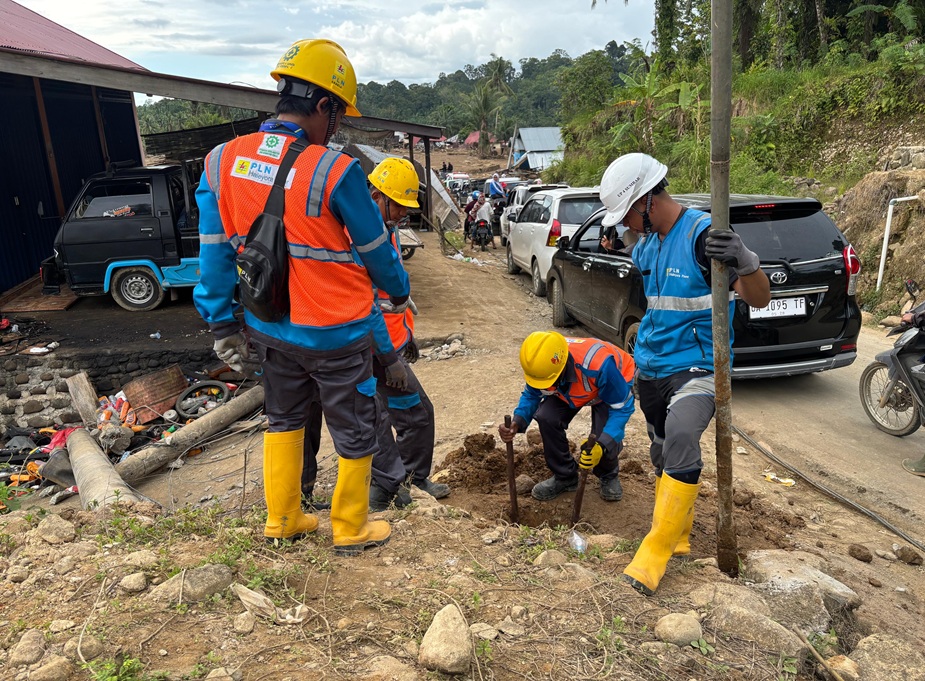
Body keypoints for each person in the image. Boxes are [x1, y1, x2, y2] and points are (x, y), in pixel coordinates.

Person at [194, 39, 411, 556]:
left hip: (269, 329)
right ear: (322, 106)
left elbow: (213, 254)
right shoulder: (335, 171)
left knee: (285, 418)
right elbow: (378, 252)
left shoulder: (220, 162)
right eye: (335, 116)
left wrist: (222, 324)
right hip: (337, 334)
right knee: (355, 426)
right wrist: (399, 295)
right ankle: (352, 527)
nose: (334, 129)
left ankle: (285, 517)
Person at [597, 152, 771, 595]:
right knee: (662, 453)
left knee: (680, 434)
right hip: (652, 366)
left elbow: (760, 298)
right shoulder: (649, 243)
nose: (627, 226)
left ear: (648, 201)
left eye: (629, 217)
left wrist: (746, 261)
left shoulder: (702, 237)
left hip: (696, 367)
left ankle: (656, 547)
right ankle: (681, 536)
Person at [364, 157, 449, 507]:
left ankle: (405, 479)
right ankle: (393, 487)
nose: (404, 214)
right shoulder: (362, 239)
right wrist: (389, 357)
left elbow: (395, 297)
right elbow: (367, 306)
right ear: (375, 195)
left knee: (401, 415)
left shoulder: (388, 230)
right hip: (373, 348)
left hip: (390, 345)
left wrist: (407, 337)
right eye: (399, 205)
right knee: (412, 414)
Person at [498, 332, 635, 501]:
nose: (546, 388)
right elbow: (531, 394)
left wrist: (603, 444)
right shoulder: (543, 365)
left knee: (602, 436)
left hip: (612, 383)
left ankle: (608, 474)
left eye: (548, 383)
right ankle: (566, 476)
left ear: (563, 366)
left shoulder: (599, 365)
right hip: (572, 388)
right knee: (547, 416)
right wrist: (517, 421)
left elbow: (622, 409)